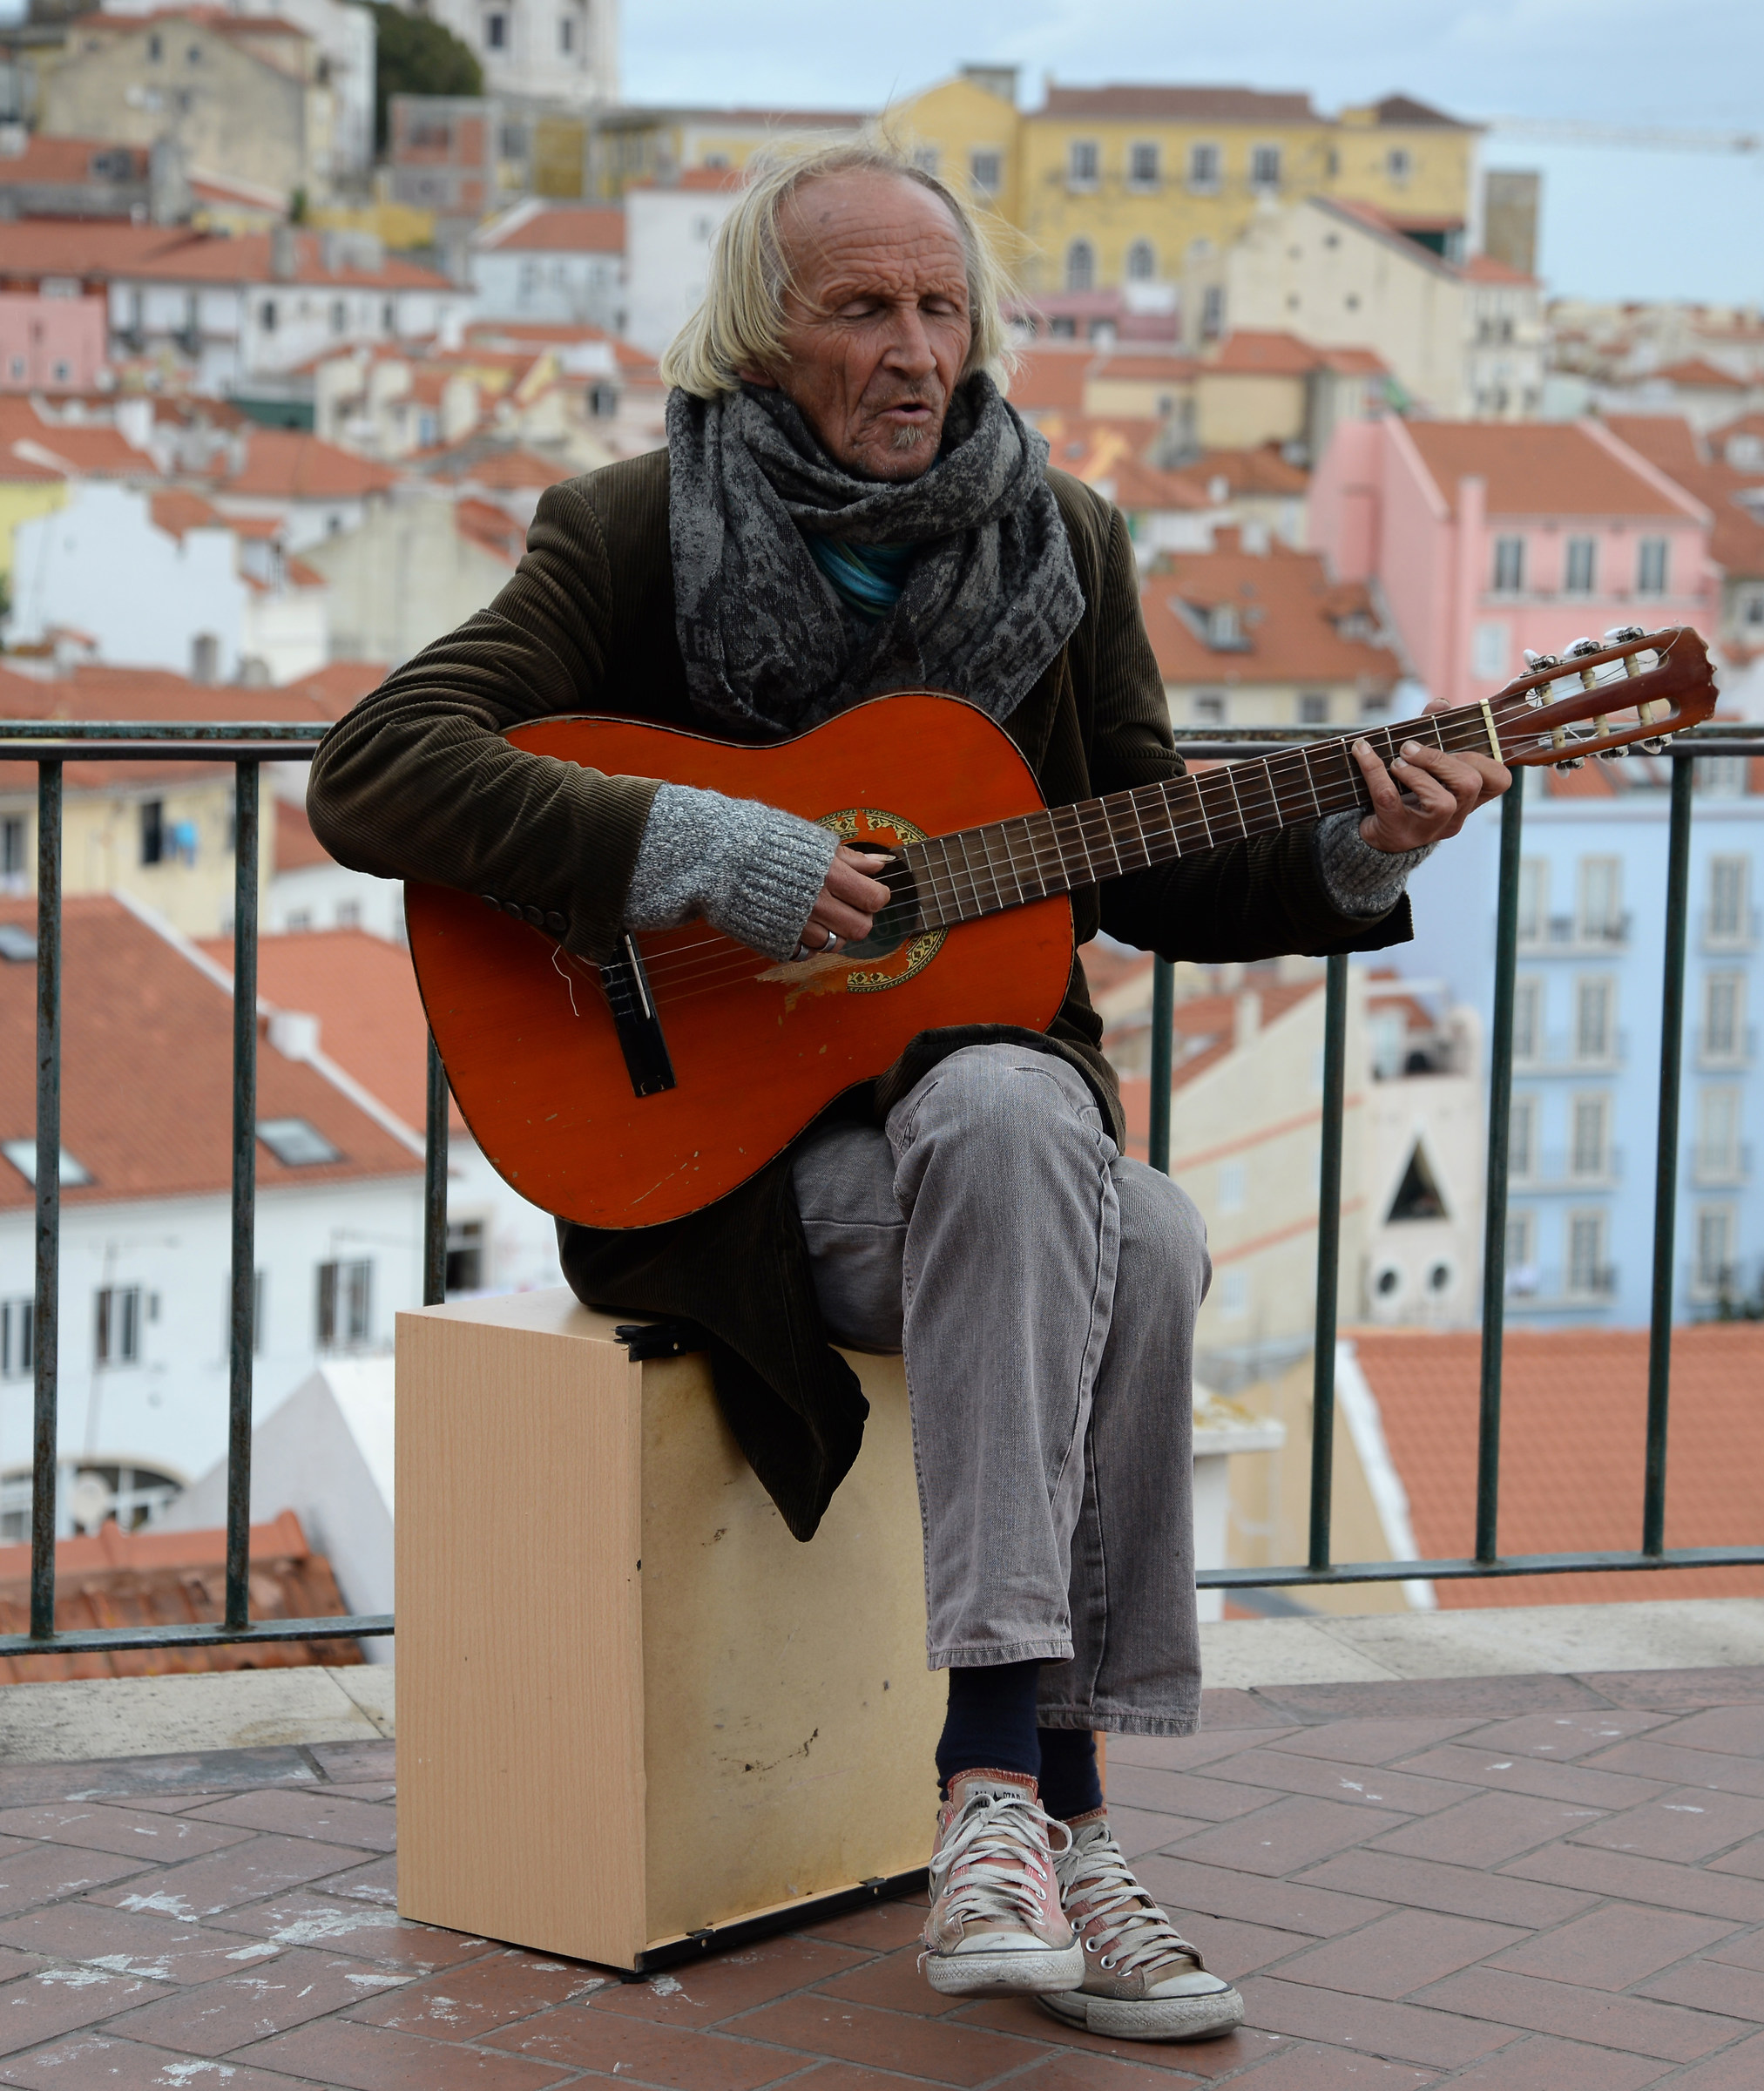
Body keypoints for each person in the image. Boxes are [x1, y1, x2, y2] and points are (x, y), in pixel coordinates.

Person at [307, 139, 1507, 2041]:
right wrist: (705, 850)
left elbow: (1147, 858)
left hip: (977, 1158)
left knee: (1126, 1204)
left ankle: (1020, 1831)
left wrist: (1359, 852)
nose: (911, 350)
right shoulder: (630, 532)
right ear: (761, 337)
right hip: (724, 1171)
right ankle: (1040, 1800)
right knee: (1073, 1162)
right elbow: (374, 771)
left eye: (939, 308)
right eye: (861, 307)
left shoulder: (1066, 545)